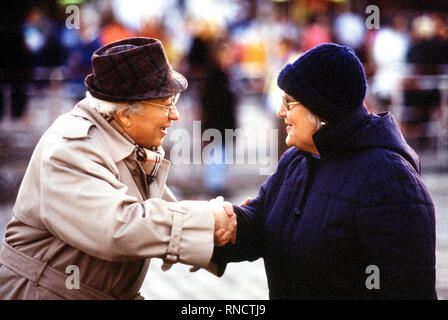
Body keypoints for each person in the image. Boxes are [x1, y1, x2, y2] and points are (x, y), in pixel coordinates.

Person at [0, 37, 236, 300]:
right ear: (125, 114)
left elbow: (162, 208)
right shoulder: (70, 147)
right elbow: (119, 228)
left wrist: (231, 227)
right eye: (167, 104)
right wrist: (208, 219)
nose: (175, 115)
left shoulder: (120, 137)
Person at [212, 43, 436, 299]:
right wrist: (216, 223)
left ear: (321, 107)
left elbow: (407, 287)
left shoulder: (389, 177)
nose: (280, 111)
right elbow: (262, 221)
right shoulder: (296, 159)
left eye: (288, 101)